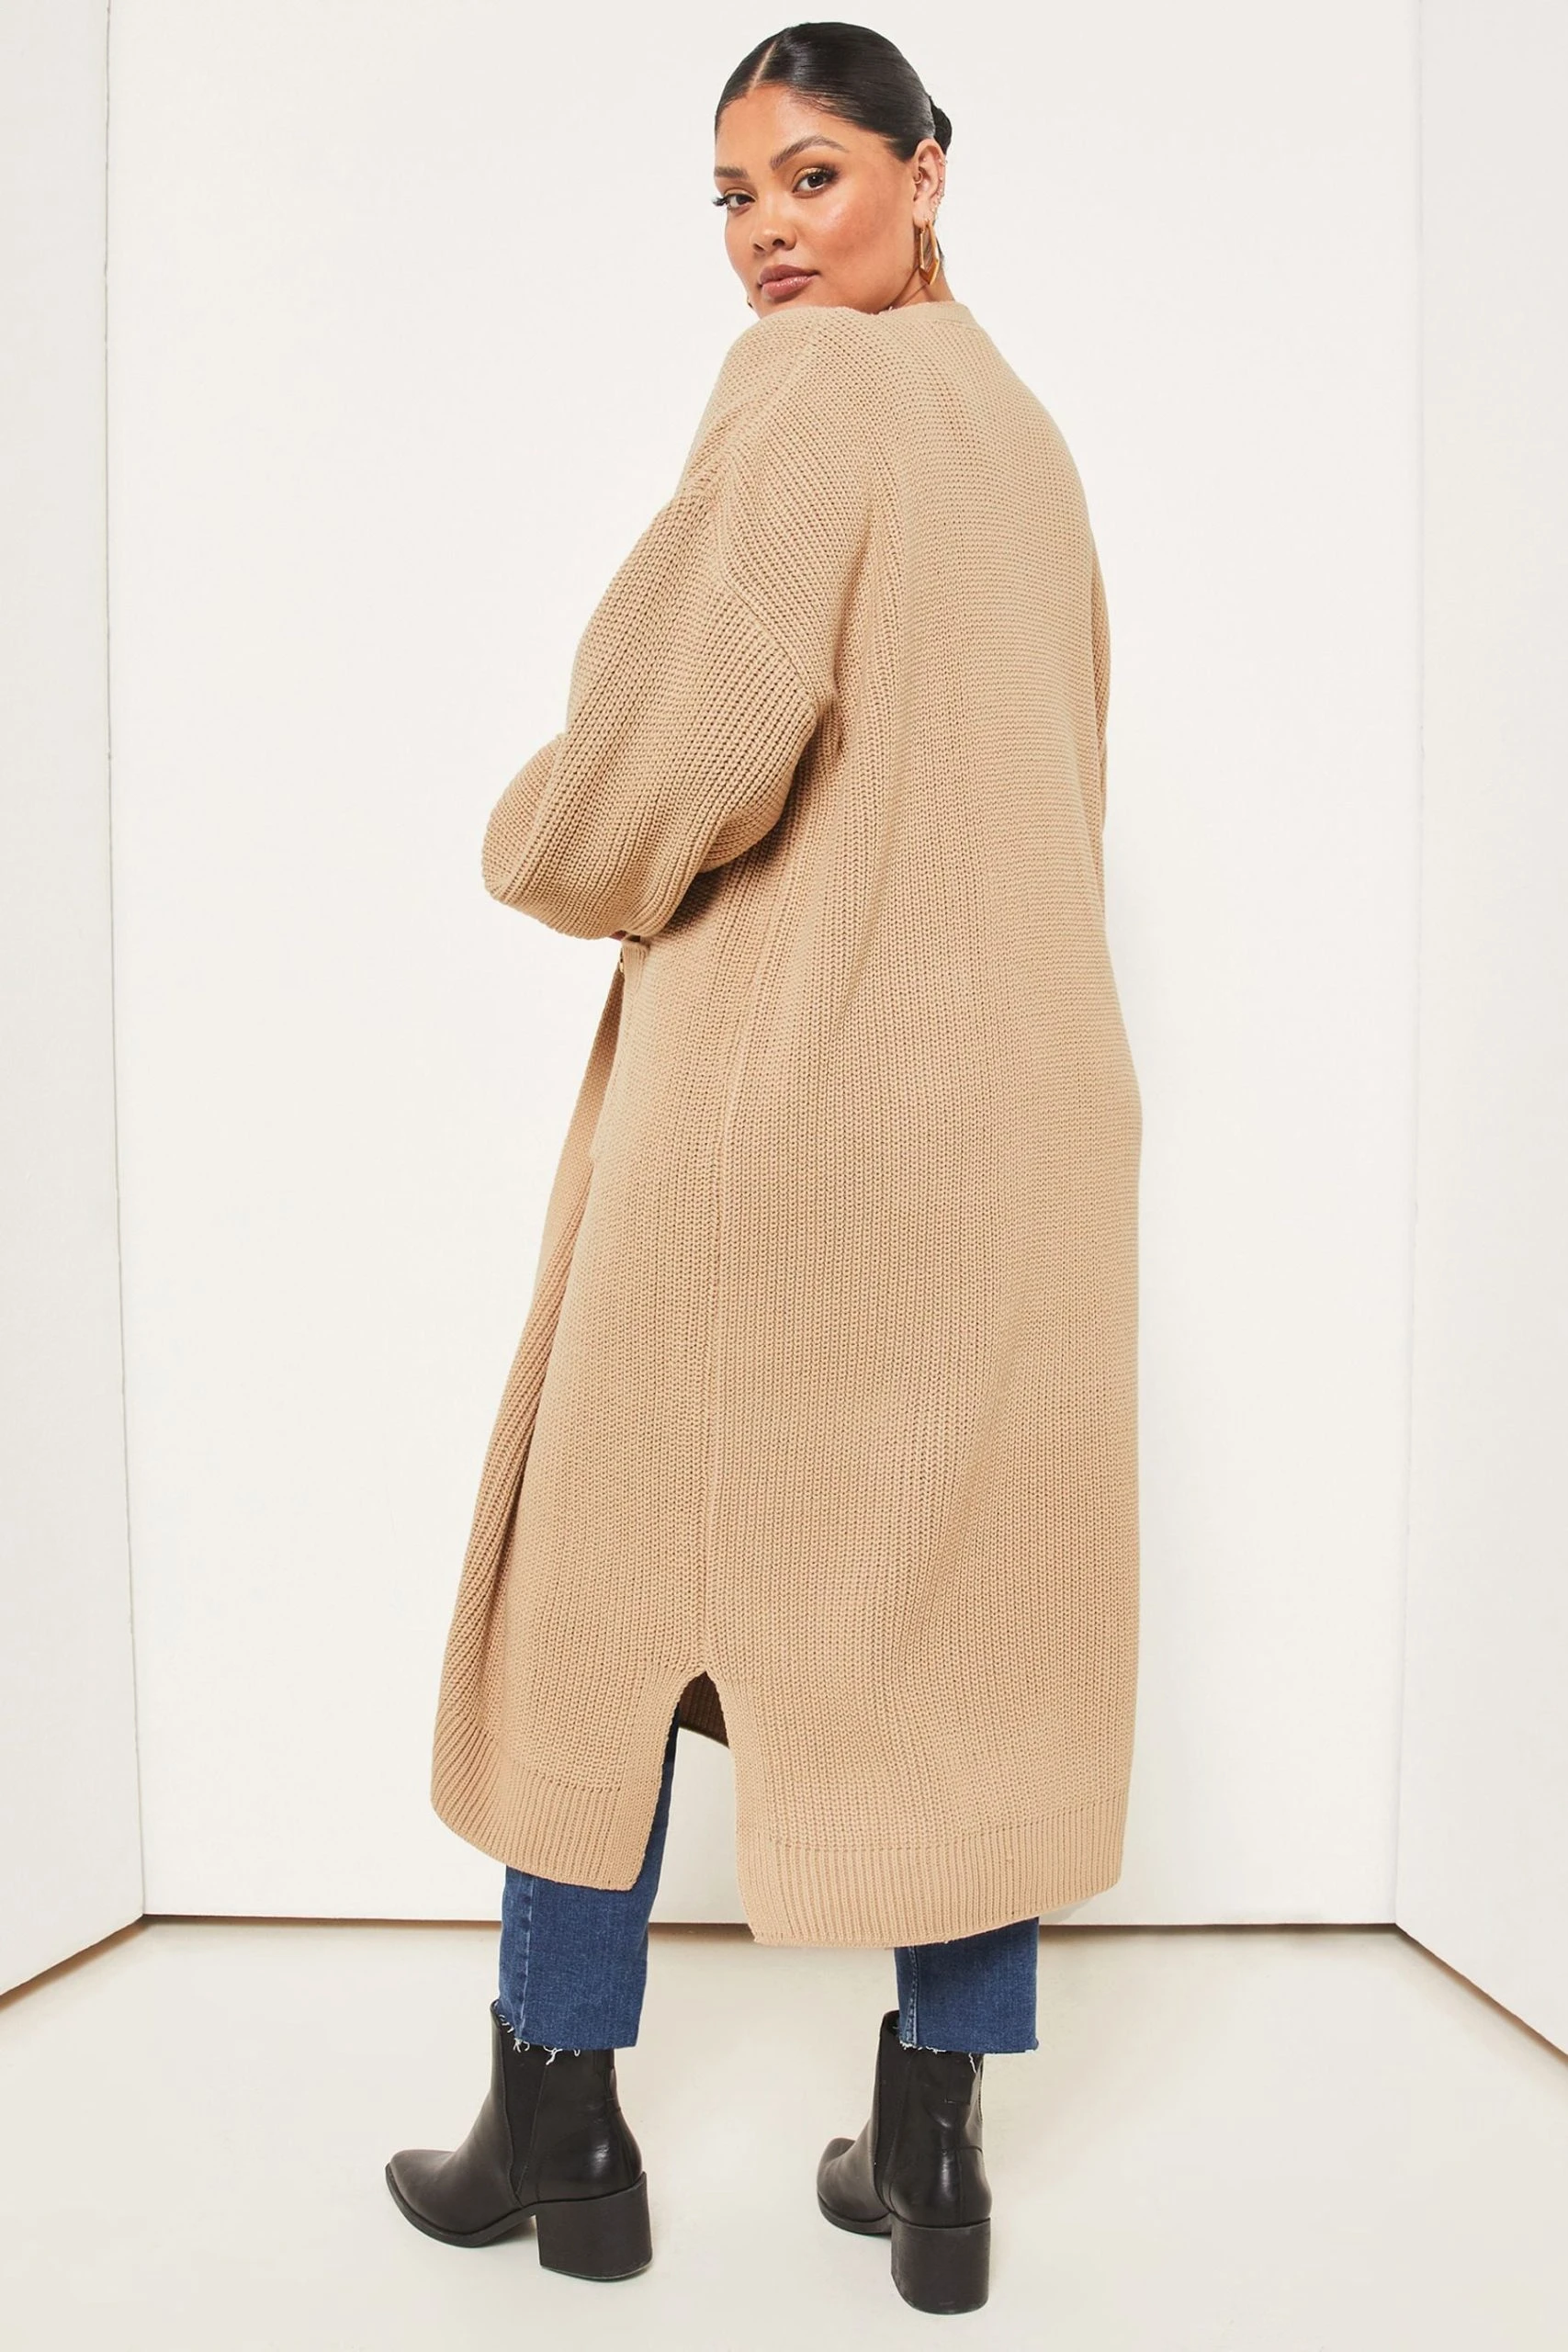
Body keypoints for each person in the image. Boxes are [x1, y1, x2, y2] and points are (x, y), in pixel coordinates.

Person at [387, 20, 1140, 2319]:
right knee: (963, 1623)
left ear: (927, 169)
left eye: (811, 175)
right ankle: (934, 2156)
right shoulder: (1019, 432)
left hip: (782, 1132)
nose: (767, 235)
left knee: (593, 1604)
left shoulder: (805, 392)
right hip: (1019, 1137)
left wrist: (539, 837)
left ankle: (557, 2119)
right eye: (732, 196)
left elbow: (675, 744)